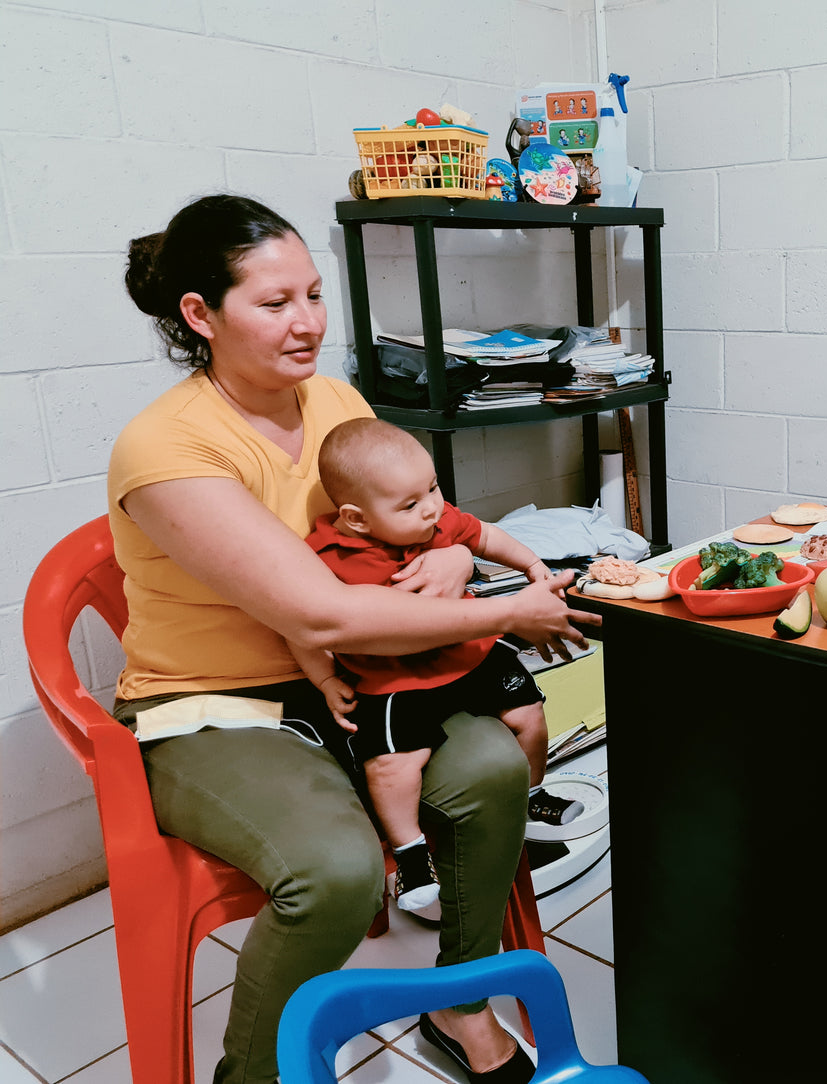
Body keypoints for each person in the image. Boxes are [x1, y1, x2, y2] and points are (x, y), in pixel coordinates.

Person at [109, 193, 595, 1084]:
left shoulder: (331, 398)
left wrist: (449, 560)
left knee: (491, 768)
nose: (307, 325)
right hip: (217, 704)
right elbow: (320, 613)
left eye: (315, 295)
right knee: (331, 870)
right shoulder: (167, 448)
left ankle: (462, 1003)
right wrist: (503, 609)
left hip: (356, 677)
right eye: (274, 303)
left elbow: (404, 516)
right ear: (199, 315)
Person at [288, 417, 552, 914]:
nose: (432, 506)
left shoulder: (436, 519)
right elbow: (302, 627)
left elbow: (487, 536)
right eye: (411, 503)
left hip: (466, 649)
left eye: (432, 487)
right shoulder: (325, 557)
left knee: (529, 712)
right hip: (393, 679)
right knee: (392, 764)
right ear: (358, 518)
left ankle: (534, 794)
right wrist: (323, 677)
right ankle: (410, 853)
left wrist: (532, 565)